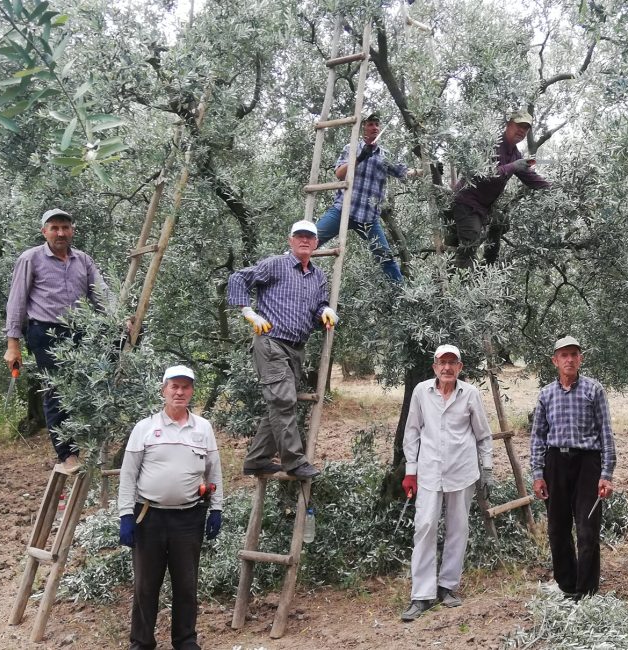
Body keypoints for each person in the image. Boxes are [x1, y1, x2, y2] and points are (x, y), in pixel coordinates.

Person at [117, 365, 224, 650]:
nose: (179, 392)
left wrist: (216, 509)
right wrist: (125, 516)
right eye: (174, 386)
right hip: (148, 516)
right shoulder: (145, 428)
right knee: (145, 586)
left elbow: (214, 472)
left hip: (189, 517)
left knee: (186, 584)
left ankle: (185, 640)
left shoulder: (203, 428)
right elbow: (128, 474)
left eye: (185, 387)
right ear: (163, 390)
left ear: (192, 391)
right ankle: (141, 642)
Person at [227, 219, 337, 479]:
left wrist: (325, 311)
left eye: (310, 237)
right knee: (284, 402)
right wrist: (248, 312)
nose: (305, 240)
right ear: (290, 240)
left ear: (316, 243)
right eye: (299, 236)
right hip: (272, 341)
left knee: (279, 404)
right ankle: (294, 462)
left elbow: (318, 305)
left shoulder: (318, 275)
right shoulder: (275, 264)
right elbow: (238, 278)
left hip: (296, 348)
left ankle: (257, 460)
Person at [4, 208, 107, 474]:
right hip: (45, 332)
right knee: (57, 390)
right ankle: (67, 454)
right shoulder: (31, 259)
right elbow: (16, 301)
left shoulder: (83, 260)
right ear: (44, 232)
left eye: (65, 227)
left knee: (93, 382)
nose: (60, 233)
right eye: (54, 228)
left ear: (72, 230)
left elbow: (102, 295)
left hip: (81, 331)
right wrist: (12, 344)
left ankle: (91, 441)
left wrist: (120, 318)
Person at [400, 344, 494, 622]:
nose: (447, 368)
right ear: (434, 367)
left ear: (460, 368)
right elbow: (412, 432)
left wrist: (486, 469)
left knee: (458, 528)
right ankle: (421, 594)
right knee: (425, 526)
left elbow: (483, 435)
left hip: (462, 471)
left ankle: (448, 586)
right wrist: (410, 471)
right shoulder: (421, 392)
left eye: (452, 363)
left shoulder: (471, 394)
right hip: (429, 471)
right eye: (442, 363)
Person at [530, 336, 616, 599]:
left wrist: (607, 473)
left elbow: (606, 432)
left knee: (587, 528)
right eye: (564, 355)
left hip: (587, 463)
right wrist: (537, 473)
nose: (569, 360)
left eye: (574, 355)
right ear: (555, 361)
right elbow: (538, 437)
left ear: (581, 359)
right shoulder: (546, 394)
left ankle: (586, 590)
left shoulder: (593, 390)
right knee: (557, 528)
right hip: (555, 463)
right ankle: (566, 585)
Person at [316, 112, 418, 283]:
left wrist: (428, 171)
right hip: (343, 210)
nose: (375, 127)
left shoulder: (385, 155)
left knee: (386, 258)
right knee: (310, 239)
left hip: (369, 218)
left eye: (377, 124)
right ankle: (283, 266)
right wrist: (361, 157)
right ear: (362, 127)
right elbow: (340, 174)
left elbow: (404, 173)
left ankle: (403, 297)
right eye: (370, 124)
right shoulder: (351, 148)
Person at [449, 110, 551, 269]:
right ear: (508, 125)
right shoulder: (491, 143)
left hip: (484, 208)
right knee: (470, 244)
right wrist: (512, 166)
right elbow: (484, 174)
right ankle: (460, 285)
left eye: (526, 129)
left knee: (502, 222)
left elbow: (531, 179)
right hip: (467, 203)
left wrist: (554, 190)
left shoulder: (515, 154)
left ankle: (487, 268)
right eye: (519, 126)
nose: (522, 131)